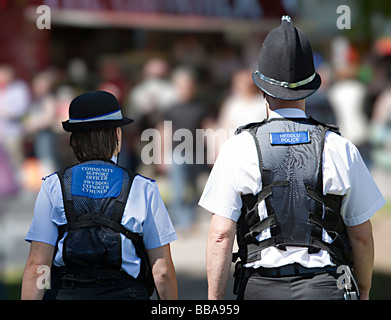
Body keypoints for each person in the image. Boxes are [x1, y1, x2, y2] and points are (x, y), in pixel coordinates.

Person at [199, 16, 385, 300]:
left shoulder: (239, 147)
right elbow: (360, 234)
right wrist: (366, 291)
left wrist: (214, 300)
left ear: (261, 88)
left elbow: (220, 235)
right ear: (311, 87)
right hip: (326, 287)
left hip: (259, 289)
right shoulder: (339, 146)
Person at [22, 90, 178, 300]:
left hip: (66, 294)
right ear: (117, 134)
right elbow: (162, 270)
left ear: (74, 140)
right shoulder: (142, 188)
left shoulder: (54, 186)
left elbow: (38, 265)